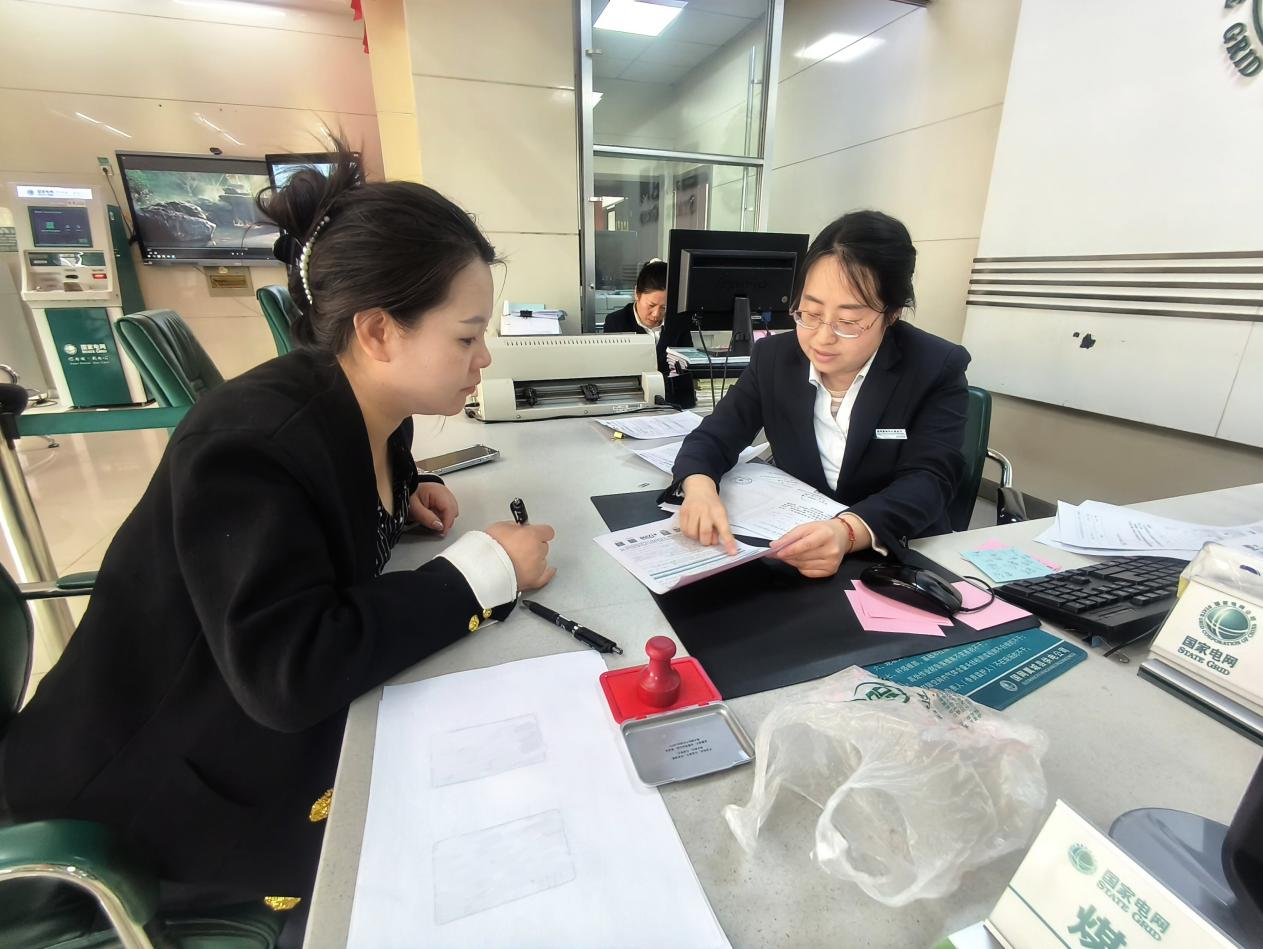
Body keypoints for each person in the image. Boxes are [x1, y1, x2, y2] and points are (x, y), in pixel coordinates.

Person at [0, 147, 556, 925]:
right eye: (466, 337)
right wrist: (481, 571)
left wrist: (401, 496)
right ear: (378, 331)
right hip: (150, 800)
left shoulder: (372, 409)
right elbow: (289, 672)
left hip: (229, 739)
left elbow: (329, 508)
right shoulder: (252, 444)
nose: (483, 357)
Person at [673, 210, 970, 578]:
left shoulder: (934, 366)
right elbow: (714, 436)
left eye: (848, 322)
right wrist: (700, 488)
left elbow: (929, 480)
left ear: (892, 313)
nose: (823, 337)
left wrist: (847, 531)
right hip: (798, 550)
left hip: (898, 554)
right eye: (810, 313)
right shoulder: (774, 358)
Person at [602, 258, 667, 340]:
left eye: (664, 307)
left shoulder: (678, 323)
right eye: (651, 305)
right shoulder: (616, 323)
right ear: (637, 293)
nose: (656, 314)